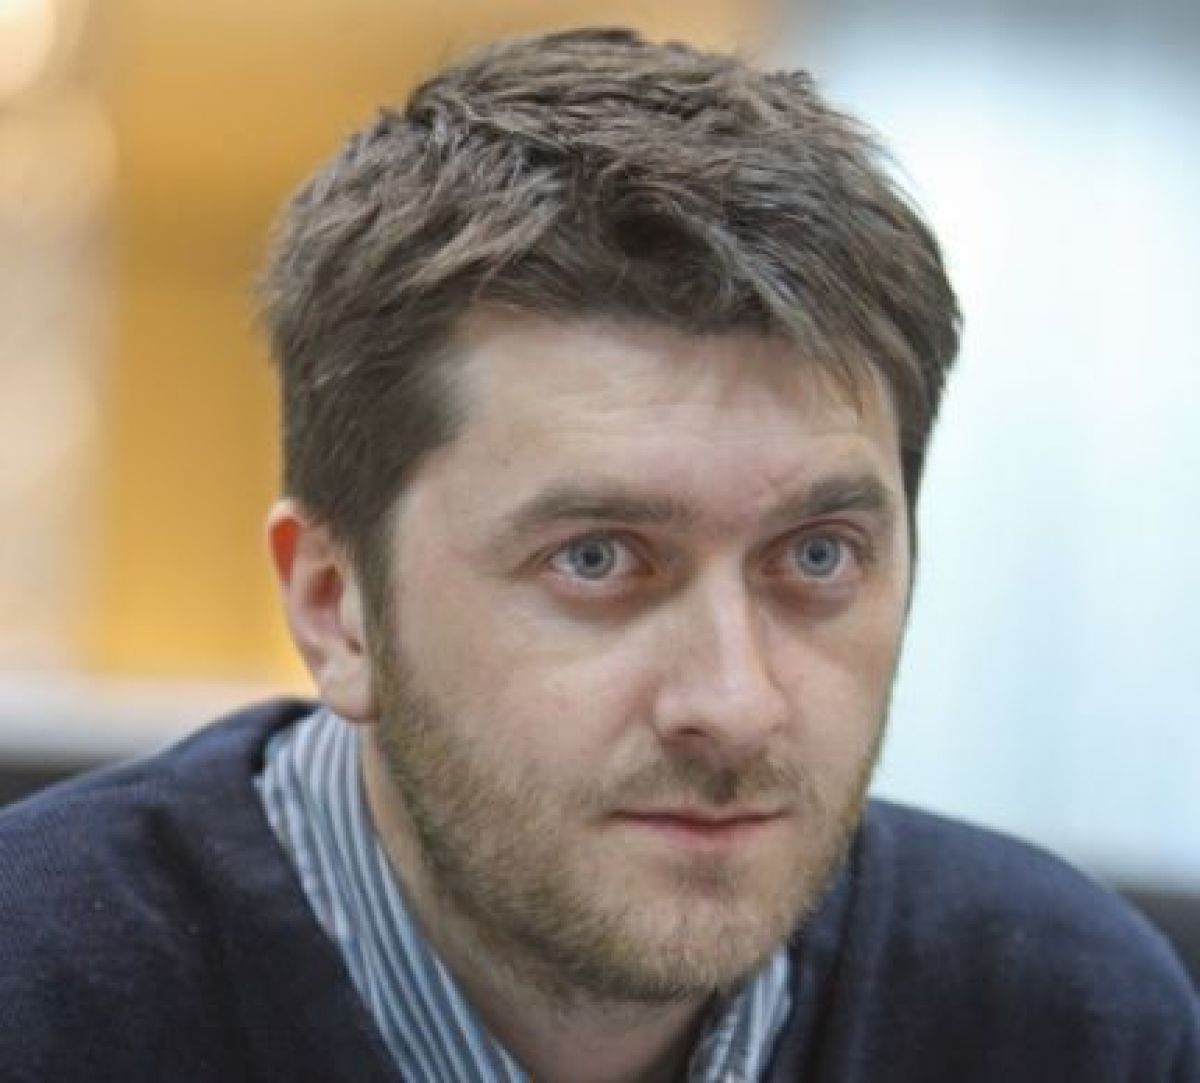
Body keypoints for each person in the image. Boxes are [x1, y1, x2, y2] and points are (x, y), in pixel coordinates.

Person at [0, 26, 1196, 1083]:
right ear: (335, 607)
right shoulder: (39, 1001)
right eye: (596, 560)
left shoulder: (1067, 1023)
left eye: (820, 557)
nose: (734, 705)